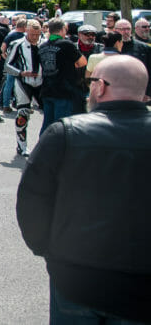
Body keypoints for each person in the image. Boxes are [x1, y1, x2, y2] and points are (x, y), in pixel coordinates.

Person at [16, 55, 151, 324]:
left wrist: (48, 250)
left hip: (76, 276)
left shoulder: (64, 133)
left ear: (100, 86)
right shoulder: (66, 133)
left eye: (91, 82)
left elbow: (31, 201)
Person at [38, 18, 86, 134]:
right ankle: (58, 150)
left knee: (47, 124)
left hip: (46, 89)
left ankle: (43, 147)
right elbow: (83, 62)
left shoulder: (42, 46)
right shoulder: (66, 44)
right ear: (62, 30)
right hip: (63, 90)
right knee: (61, 125)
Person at [4, 21, 43, 156]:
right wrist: (21, 73)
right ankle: (22, 146)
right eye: (32, 34)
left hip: (41, 83)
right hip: (23, 82)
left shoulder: (43, 43)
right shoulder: (17, 44)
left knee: (48, 112)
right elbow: (7, 65)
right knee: (23, 114)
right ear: (26, 31)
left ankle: (44, 145)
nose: (35, 37)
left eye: (38, 34)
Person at [117, 19, 151, 99]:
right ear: (116, 30)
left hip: (140, 91)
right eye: (122, 29)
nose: (125, 32)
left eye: (128, 29)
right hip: (117, 91)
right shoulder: (111, 47)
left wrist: (148, 93)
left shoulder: (144, 48)